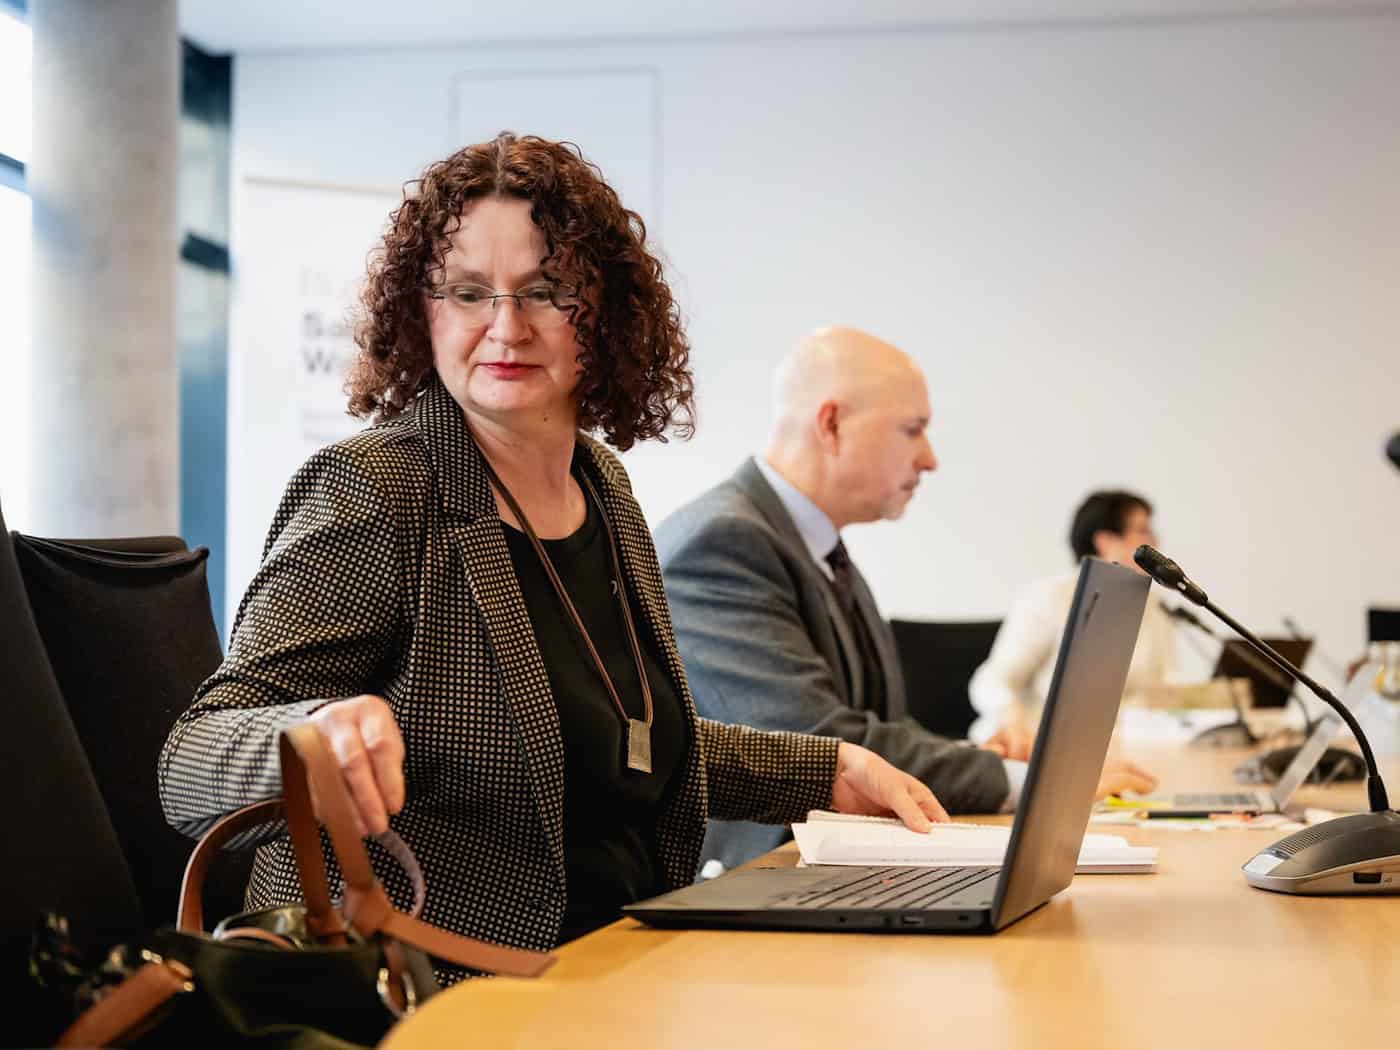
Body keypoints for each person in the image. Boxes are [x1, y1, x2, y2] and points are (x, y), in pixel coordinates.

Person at [157, 135, 942, 977]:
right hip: (444, 985)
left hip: (625, 957)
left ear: (602, 312)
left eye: (545, 291)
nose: (506, 327)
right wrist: (309, 736)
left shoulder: (600, 483)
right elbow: (188, 762)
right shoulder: (375, 489)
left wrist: (830, 769)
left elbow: (620, 737)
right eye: (468, 293)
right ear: (422, 313)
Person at [654, 328, 1156, 871]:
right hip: (768, 874)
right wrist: (1027, 781)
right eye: (912, 430)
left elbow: (872, 724)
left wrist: (974, 758)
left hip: (839, 865)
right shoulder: (723, 542)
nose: (930, 459)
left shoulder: (816, 544)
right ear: (830, 424)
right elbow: (821, 745)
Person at [968, 489, 1176, 759]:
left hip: (1124, 749)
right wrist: (1011, 715)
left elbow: (1162, 687)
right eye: (1143, 531)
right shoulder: (1049, 597)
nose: (1155, 540)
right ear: (1105, 540)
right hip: (1042, 748)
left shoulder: (1153, 605)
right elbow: (991, 681)